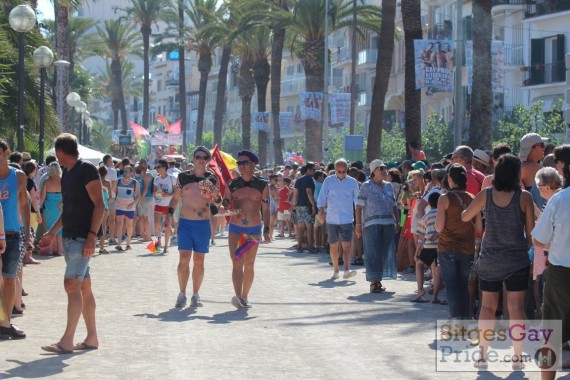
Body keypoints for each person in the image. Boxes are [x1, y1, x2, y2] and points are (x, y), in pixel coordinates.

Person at [461, 153, 535, 370]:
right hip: (516, 259)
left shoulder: (486, 194)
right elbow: (530, 234)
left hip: (490, 259)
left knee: (487, 307)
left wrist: (480, 218)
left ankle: (482, 356)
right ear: (516, 174)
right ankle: (518, 357)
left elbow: (465, 216)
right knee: (516, 308)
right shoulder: (524, 197)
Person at [41, 133, 104, 353]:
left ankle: (66, 341)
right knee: (84, 287)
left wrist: (92, 236)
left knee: (71, 285)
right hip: (70, 237)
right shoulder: (67, 174)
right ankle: (92, 338)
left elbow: (100, 205)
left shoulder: (86, 169)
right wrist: (51, 233)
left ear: (59, 152)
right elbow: (67, 211)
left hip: (81, 238)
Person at [532, 145, 570, 380]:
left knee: (551, 334)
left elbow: (538, 238)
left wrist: (555, 243)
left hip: (561, 275)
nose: (555, 166)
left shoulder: (559, 200)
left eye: (557, 161)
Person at [166, 146, 218, 308]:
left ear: (208, 160)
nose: (201, 159)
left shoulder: (211, 179)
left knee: (199, 260)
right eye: (198, 156)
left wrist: (215, 194)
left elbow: (216, 201)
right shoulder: (183, 177)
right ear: (193, 159)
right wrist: (168, 214)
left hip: (202, 224)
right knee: (183, 259)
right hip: (186, 223)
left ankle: (196, 294)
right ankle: (182, 294)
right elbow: (176, 198)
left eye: (204, 157)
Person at [222, 150, 270, 309]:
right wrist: (220, 204)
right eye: (239, 163)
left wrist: (267, 230)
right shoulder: (232, 184)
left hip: (254, 228)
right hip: (236, 228)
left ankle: (245, 296)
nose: (241, 166)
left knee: (249, 264)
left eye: (245, 163)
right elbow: (225, 204)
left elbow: (266, 209)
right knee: (237, 262)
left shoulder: (262, 185)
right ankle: (237, 296)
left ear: (253, 164)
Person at [435, 164, 482, 320]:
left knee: (452, 286)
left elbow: (439, 227)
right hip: (467, 248)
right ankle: (465, 319)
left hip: (447, 247)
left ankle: (456, 321)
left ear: (449, 178)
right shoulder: (472, 198)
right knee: (463, 285)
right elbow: (478, 227)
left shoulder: (444, 198)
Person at [0, 140, 30, 340]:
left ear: (6, 152)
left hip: (11, 233)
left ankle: (5, 323)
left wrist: (27, 235)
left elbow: (24, 206)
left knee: (10, 279)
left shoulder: (18, 176)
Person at [355, 160, 399, 293]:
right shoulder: (366, 186)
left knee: (385, 252)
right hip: (371, 224)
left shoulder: (389, 186)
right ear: (374, 171)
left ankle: (379, 279)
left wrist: (396, 221)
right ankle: (374, 282)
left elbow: (394, 205)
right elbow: (358, 207)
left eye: (385, 168)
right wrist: (358, 225)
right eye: (381, 168)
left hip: (388, 224)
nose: (384, 170)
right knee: (373, 252)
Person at [317, 158, 360, 280]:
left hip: (347, 218)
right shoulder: (328, 181)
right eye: (339, 171)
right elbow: (321, 198)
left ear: (347, 170)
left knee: (346, 245)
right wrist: (321, 212)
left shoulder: (352, 182)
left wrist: (359, 221)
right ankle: (336, 270)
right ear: (334, 170)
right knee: (333, 246)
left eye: (344, 171)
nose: (341, 173)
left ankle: (347, 270)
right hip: (332, 218)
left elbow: (358, 202)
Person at [411, 192, 443, 304]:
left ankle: (420, 290)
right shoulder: (443, 214)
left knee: (419, 265)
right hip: (441, 246)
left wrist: (417, 252)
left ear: (429, 203)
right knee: (437, 269)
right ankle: (435, 296)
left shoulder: (426, 216)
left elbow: (421, 237)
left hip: (429, 246)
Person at [292, 162, 317, 253]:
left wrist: (294, 205)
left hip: (299, 205)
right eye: (313, 170)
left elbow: (295, 193)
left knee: (300, 226)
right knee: (309, 226)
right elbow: (309, 192)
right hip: (307, 205)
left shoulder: (298, 180)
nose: (314, 172)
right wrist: (313, 205)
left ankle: (299, 246)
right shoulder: (309, 179)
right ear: (308, 170)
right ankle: (310, 246)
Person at [114, 165, 140, 251]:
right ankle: (119, 244)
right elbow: (114, 192)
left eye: (127, 171)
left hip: (130, 207)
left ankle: (128, 243)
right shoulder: (118, 181)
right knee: (119, 224)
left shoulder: (135, 182)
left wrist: (133, 203)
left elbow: (138, 195)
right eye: (124, 171)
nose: (125, 173)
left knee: (129, 225)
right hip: (119, 205)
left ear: (131, 173)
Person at [39, 162, 63, 256]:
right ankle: (60, 250)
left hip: (49, 206)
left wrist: (38, 209)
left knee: (49, 228)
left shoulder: (46, 181)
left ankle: (49, 250)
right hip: (60, 206)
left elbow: (42, 197)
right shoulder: (63, 180)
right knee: (60, 229)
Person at [153, 159, 176, 253]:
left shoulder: (172, 178)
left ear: (164, 168)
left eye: (158, 167)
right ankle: (158, 243)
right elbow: (154, 192)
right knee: (156, 224)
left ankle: (166, 246)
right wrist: (158, 194)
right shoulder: (156, 178)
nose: (157, 169)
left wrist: (169, 195)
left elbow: (176, 192)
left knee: (167, 225)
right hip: (158, 203)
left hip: (168, 204)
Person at [23, 161, 41, 264]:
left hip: (23, 210)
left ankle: (26, 255)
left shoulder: (22, 180)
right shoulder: (30, 181)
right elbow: (33, 199)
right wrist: (38, 213)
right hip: (32, 211)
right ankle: (28, 256)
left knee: (26, 233)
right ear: (34, 170)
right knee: (31, 234)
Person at [136, 159, 153, 241]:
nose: (141, 166)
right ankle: (144, 235)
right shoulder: (143, 174)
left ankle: (148, 236)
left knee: (145, 217)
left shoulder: (147, 175)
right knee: (142, 217)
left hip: (145, 197)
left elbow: (146, 189)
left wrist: (140, 199)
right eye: (140, 164)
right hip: (145, 197)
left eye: (142, 164)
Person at [103, 155, 118, 245]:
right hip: (111, 196)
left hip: (102, 196)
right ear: (109, 162)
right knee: (112, 218)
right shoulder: (113, 171)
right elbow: (114, 184)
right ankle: (111, 238)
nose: (112, 163)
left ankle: (102, 238)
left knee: (103, 219)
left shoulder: (100, 170)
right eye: (111, 161)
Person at [97, 166, 111, 254]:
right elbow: (110, 196)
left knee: (95, 226)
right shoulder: (107, 183)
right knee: (103, 226)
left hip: (96, 206)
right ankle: (102, 247)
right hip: (104, 206)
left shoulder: (96, 182)